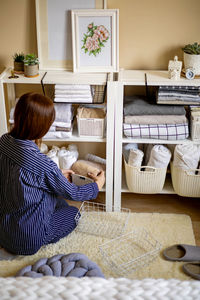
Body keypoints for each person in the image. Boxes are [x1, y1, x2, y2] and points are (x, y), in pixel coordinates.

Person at [0, 92, 105, 255]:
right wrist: (97, 185)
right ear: (41, 127)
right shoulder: (43, 165)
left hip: (4, 229)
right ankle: (40, 235)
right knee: (73, 213)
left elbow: (23, 177)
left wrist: (56, 175)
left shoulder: (4, 141)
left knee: (59, 203)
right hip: (29, 240)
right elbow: (74, 193)